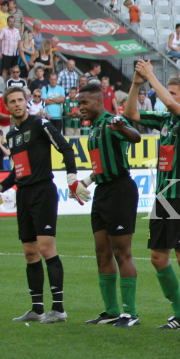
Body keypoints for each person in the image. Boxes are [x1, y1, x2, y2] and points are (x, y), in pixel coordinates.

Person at [124, 61, 180, 330]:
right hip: (161, 197)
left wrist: (150, 75)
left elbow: (171, 105)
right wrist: (137, 83)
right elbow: (131, 114)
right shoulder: (165, 120)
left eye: (173, 92)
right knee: (158, 257)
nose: (168, 97)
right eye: (167, 91)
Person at [0, 86, 83, 324]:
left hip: (43, 192)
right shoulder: (13, 136)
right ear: (7, 105)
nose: (17, 104)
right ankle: (36, 309)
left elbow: (65, 147)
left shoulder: (40, 124)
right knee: (29, 252)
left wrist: (72, 177)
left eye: (20, 100)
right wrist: (1, 187)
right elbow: (19, 170)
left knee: (46, 247)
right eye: (12, 101)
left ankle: (58, 309)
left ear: (26, 102)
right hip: (23, 196)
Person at [73, 81, 142, 326]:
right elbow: (100, 165)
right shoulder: (92, 129)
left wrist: (123, 129)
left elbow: (135, 137)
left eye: (84, 102)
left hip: (120, 190)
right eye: (78, 103)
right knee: (101, 252)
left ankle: (130, 312)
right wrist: (85, 182)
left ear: (97, 101)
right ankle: (111, 310)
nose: (80, 107)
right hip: (102, 191)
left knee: (121, 252)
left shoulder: (112, 122)